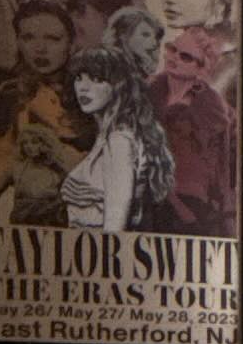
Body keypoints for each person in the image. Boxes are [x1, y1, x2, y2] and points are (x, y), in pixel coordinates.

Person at [0, 0, 89, 210]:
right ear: (18, 42)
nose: (40, 48)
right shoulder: (6, 96)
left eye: (53, 38)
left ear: (71, 44)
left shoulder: (88, 94)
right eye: (28, 37)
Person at [57, 46, 174, 233]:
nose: (83, 87)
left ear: (118, 85)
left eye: (96, 79)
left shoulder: (119, 141)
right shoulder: (106, 137)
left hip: (99, 248)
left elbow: (114, 229)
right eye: (79, 78)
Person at [158, 25, 238, 234]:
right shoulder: (149, 90)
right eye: (172, 49)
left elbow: (223, 170)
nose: (174, 58)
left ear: (202, 68)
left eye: (185, 57)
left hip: (192, 208)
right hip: (150, 199)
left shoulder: (213, 109)